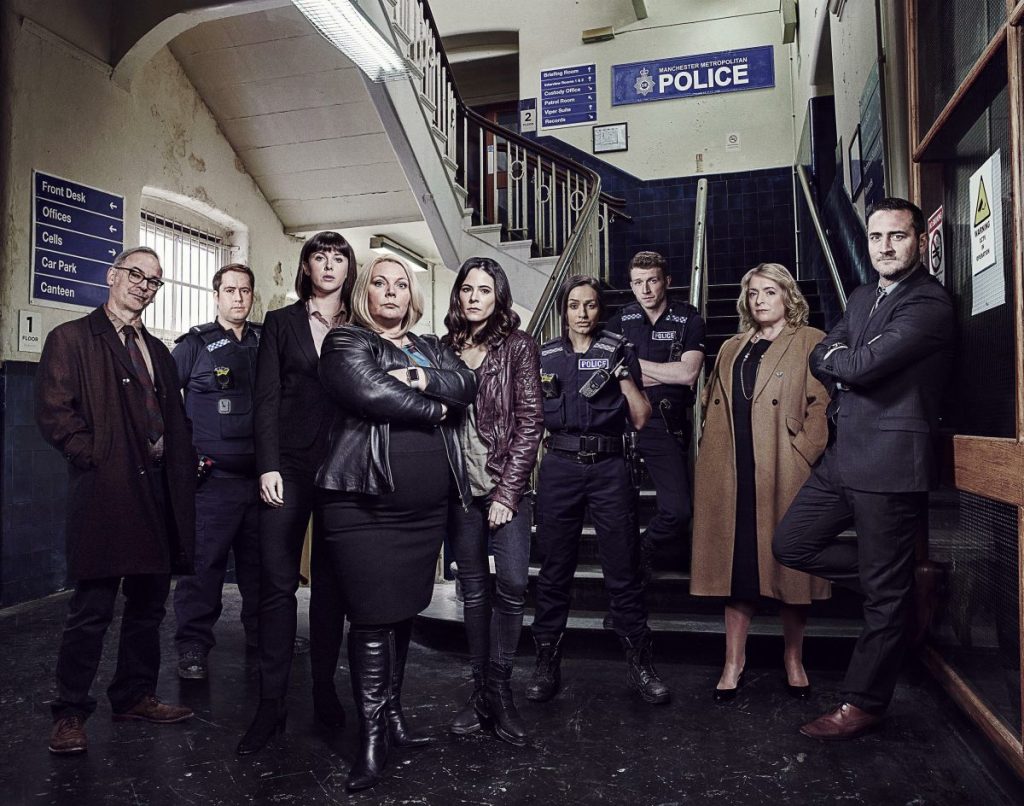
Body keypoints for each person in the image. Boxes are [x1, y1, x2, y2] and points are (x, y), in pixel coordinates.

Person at [773, 197, 955, 739]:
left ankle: (864, 703)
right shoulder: (861, 296)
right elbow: (827, 352)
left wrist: (843, 360)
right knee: (792, 543)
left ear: (919, 240)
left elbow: (861, 364)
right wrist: (842, 359)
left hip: (892, 464)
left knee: (882, 595)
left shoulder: (929, 305)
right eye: (876, 237)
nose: (885, 247)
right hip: (843, 456)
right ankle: (905, 585)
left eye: (897, 236)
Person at [315, 255, 476, 791]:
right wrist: (434, 408)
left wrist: (420, 377)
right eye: (379, 283)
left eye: (401, 284)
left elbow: (465, 383)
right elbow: (368, 392)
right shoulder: (345, 341)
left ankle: (396, 717)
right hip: (363, 507)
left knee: (402, 610)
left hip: (423, 511)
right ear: (364, 293)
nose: (390, 292)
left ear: (413, 294)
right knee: (371, 616)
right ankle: (371, 738)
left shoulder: (430, 345)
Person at [35, 246, 196, 755]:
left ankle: (133, 695)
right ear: (112, 275)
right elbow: (55, 412)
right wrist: (96, 456)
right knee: (92, 608)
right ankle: (69, 712)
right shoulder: (71, 338)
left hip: (156, 492)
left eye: (154, 281)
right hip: (106, 491)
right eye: (135, 274)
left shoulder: (159, 351)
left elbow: (173, 418)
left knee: (149, 605)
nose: (143, 285)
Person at [527, 274, 670, 706]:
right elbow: (532, 419)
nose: (582, 314)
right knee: (554, 570)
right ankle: (546, 663)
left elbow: (642, 418)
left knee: (623, 569)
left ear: (599, 309)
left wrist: (625, 378)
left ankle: (640, 666)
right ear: (564, 310)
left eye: (590, 305)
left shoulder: (618, 349)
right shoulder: (545, 353)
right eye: (574, 305)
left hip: (609, 467)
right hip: (559, 467)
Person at [690, 263, 830, 701]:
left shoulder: (811, 341)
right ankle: (734, 662)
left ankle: (793, 660)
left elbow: (823, 405)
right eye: (753, 293)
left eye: (769, 292)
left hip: (783, 467)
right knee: (738, 571)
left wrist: (802, 452)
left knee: (791, 570)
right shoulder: (733, 346)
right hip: (733, 469)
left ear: (788, 295)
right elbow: (714, 404)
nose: (760, 300)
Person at [237, 232, 353, 755]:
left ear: (349, 268)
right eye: (320, 257)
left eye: (338, 258)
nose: (329, 266)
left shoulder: (361, 323)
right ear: (306, 267)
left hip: (346, 468)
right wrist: (267, 466)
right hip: (288, 465)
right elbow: (264, 400)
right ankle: (271, 705)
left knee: (332, 587)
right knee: (277, 585)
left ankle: (325, 690)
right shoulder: (281, 324)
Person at [443, 257, 543, 746]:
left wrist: (507, 492)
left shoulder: (518, 347)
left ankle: (501, 688)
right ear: (459, 295)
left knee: (513, 583)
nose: (475, 296)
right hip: (461, 491)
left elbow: (530, 422)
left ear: (498, 296)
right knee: (474, 591)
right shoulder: (444, 349)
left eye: (485, 289)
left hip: (505, 487)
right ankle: (480, 691)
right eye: (468, 288)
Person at [172, 263, 261, 680]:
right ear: (217, 295)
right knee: (202, 569)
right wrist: (178, 453)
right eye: (230, 290)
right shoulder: (194, 345)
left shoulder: (266, 342)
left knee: (261, 571)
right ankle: (192, 646)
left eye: (244, 290)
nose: (238, 298)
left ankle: (263, 638)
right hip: (213, 484)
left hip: (262, 483)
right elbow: (161, 400)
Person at [606, 251, 705, 570]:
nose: (645, 289)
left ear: (667, 282)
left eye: (652, 281)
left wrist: (631, 367)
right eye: (638, 283)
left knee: (678, 511)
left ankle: (646, 546)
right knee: (619, 510)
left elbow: (687, 375)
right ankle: (628, 573)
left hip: (665, 423)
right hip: (624, 422)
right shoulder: (620, 319)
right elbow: (608, 371)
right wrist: (666, 370)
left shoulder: (688, 318)